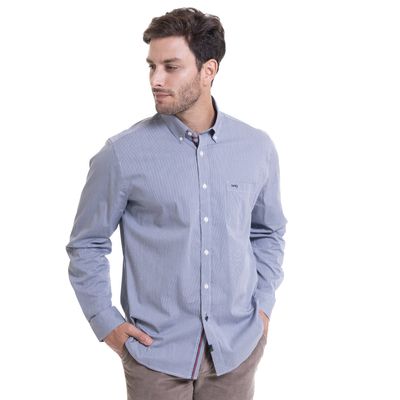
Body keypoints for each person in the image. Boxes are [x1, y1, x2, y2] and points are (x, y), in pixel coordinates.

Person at [66, 7, 287, 400]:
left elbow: (268, 232)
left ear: (208, 70)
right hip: (154, 356)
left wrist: (263, 308)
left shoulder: (257, 148)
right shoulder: (122, 154)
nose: (156, 79)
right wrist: (106, 322)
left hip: (237, 351)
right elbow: (87, 243)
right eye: (151, 66)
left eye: (171, 67)